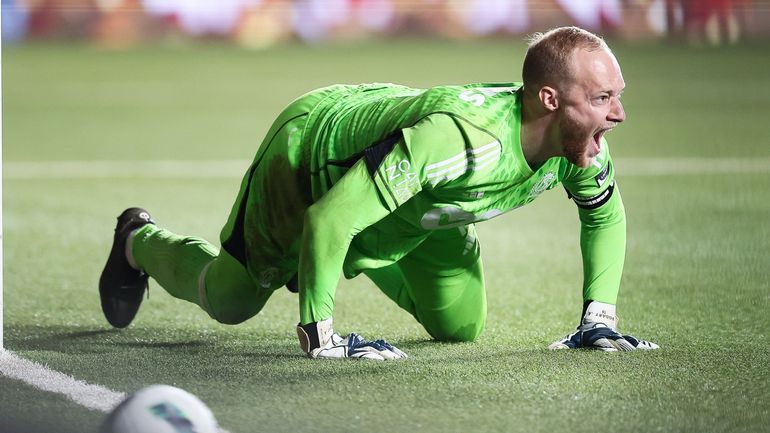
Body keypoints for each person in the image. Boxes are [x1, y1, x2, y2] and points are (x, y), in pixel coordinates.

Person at [99, 26, 659, 360]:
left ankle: (358, 247)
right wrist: (322, 335)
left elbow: (604, 217)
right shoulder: (460, 140)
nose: (620, 113)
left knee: (459, 327)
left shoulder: (579, 144)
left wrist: (597, 319)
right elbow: (325, 216)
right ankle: (137, 240)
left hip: (422, 198)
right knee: (230, 300)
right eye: (603, 97)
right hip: (313, 154)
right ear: (549, 100)